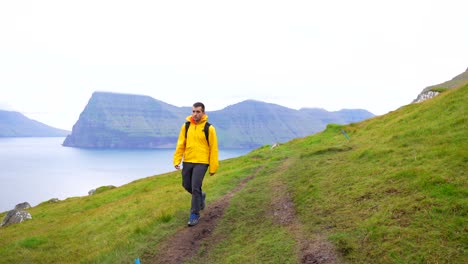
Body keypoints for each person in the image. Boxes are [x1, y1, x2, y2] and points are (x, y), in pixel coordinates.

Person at [173, 102, 219, 226]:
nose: (195, 114)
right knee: (186, 184)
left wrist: (213, 167)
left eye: (198, 111)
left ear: (203, 113)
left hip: (202, 162)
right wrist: (177, 160)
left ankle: (194, 214)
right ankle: (200, 197)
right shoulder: (186, 126)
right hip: (188, 160)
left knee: (195, 186)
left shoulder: (209, 128)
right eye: (193, 111)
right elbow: (180, 144)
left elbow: (213, 148)